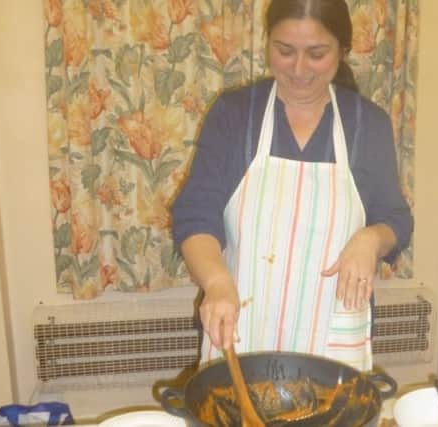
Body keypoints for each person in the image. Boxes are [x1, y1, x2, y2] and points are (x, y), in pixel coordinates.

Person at [171, 0, 413, 372]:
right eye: (284, 51)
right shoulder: (236, 115)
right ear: (268, 43)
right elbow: (195, 215)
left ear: (343, 50)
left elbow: (395, 217)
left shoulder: (368, 124)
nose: (299, 69)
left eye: (316, 54)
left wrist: (371, 239)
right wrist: (217, 282)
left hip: (332, 336)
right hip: (243, 324)